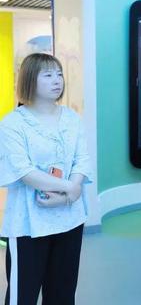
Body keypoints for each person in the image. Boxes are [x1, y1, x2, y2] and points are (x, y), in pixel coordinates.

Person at [0, 53, 92, 305]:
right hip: (29, 225)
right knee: (22, 296)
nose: (57, 80)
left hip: (70, 219)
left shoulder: (71, 118)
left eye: (59, 74)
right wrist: (70, 188)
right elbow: (23, 171)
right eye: (48, 75)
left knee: (63, 294)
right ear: (30, 79)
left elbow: (82, 159)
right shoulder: (13, 123)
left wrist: (71, 191)